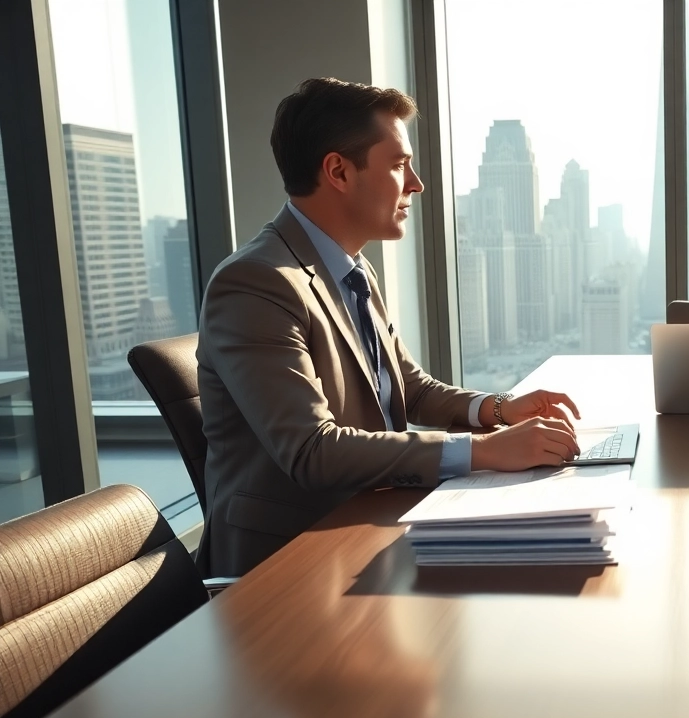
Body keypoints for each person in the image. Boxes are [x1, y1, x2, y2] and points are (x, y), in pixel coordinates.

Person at [197, 78, 582, 577]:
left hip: (369, 523)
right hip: (289, 562)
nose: (416, 183)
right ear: (338, 171)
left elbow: (408, 387)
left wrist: (496, 409)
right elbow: (313, 450)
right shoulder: (256, 283)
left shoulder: (352, 269)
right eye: (399, 164)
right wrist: (484, 451)